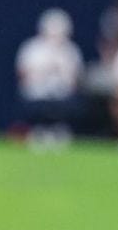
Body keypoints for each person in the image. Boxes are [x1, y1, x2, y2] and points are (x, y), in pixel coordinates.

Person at [16, 9, 83, 147]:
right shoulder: (32, 48)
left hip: (62, 96)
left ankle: (58, 131)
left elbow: (75, 80)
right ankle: (39, 131)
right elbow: (23, 75)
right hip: (37, 94)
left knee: (67, 102)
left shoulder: (71, 50)